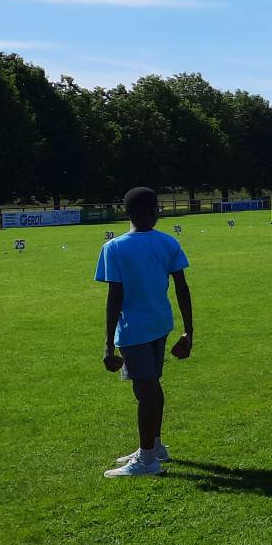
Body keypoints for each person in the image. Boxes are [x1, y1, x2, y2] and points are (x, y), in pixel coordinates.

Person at [95, 187, 193, 478]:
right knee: (151, 386)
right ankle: (155, 446)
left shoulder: (114, 247)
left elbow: (115, 298)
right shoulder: (167, 242)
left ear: (126, 212)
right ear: (156, 212)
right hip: (160, 324)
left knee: (145, 391)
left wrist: (108, 345)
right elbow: (182, 288)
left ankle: (147, 459)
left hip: (133, 330)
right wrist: (188, 332)